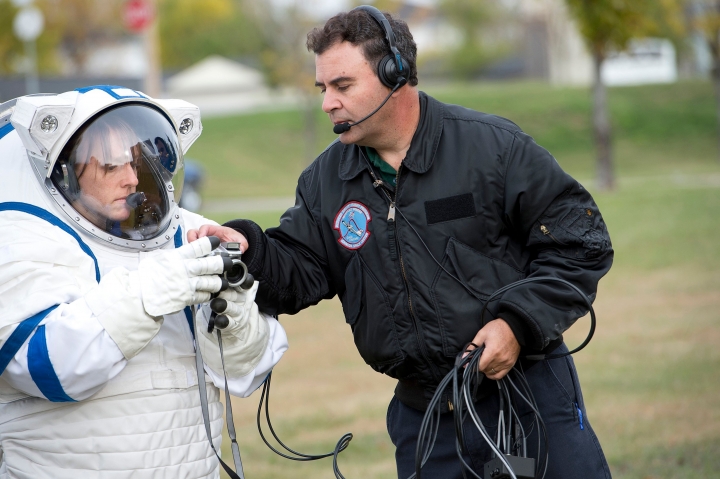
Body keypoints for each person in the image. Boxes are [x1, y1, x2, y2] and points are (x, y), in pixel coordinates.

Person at [191, 6, 613, 478]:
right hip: (425, 420)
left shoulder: (494, 149)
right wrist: (248, 248)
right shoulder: (325, 182)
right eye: (322, 89)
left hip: (528, 402)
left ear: (396, 73)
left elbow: (581, 242)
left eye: (342, 86)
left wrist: (517, 324)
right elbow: (301, 270)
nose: (328, 102)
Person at [0, 86, 288, 478]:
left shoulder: (184, 232)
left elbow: (247, 373)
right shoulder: (24, 239)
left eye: (136, 162)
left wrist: (232, 314)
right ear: (66, 171)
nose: (132, 179)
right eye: (110, 165)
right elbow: (47, 367)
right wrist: (151, 292)